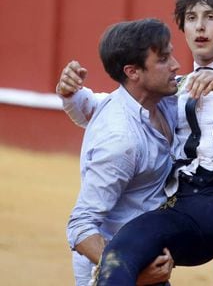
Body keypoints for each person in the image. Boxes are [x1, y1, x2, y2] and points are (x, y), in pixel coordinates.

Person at [58, 0, 213, 286]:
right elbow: (111, 108)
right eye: (191, 17)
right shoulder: (175, 86)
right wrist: (72, 95)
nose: (199, 26)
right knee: (124, 245)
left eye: (210, 17)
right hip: (181, 210)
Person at [61, 18, 179, 286]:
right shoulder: (121, 140)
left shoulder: (161, 101)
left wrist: (71, 96)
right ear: (133, 72)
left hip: (144, 257)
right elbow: (80, 227)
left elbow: (91, 104)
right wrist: (131, 273)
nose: (175, 65)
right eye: (163, 59)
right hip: (115, 270)